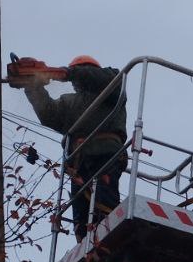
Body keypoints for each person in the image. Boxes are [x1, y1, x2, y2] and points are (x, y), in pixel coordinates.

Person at [22, 56, 128, 240]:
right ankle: (86, 247)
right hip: (78, 163)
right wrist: (32, 85)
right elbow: (49, 114)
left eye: (80, 73)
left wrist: (64, 73)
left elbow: (98, 78)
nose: (75, 81)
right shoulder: (69, 102)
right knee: (81, 216)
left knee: (104, 204)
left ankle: (111, 241)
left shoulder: (112, 88)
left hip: (104, 153)